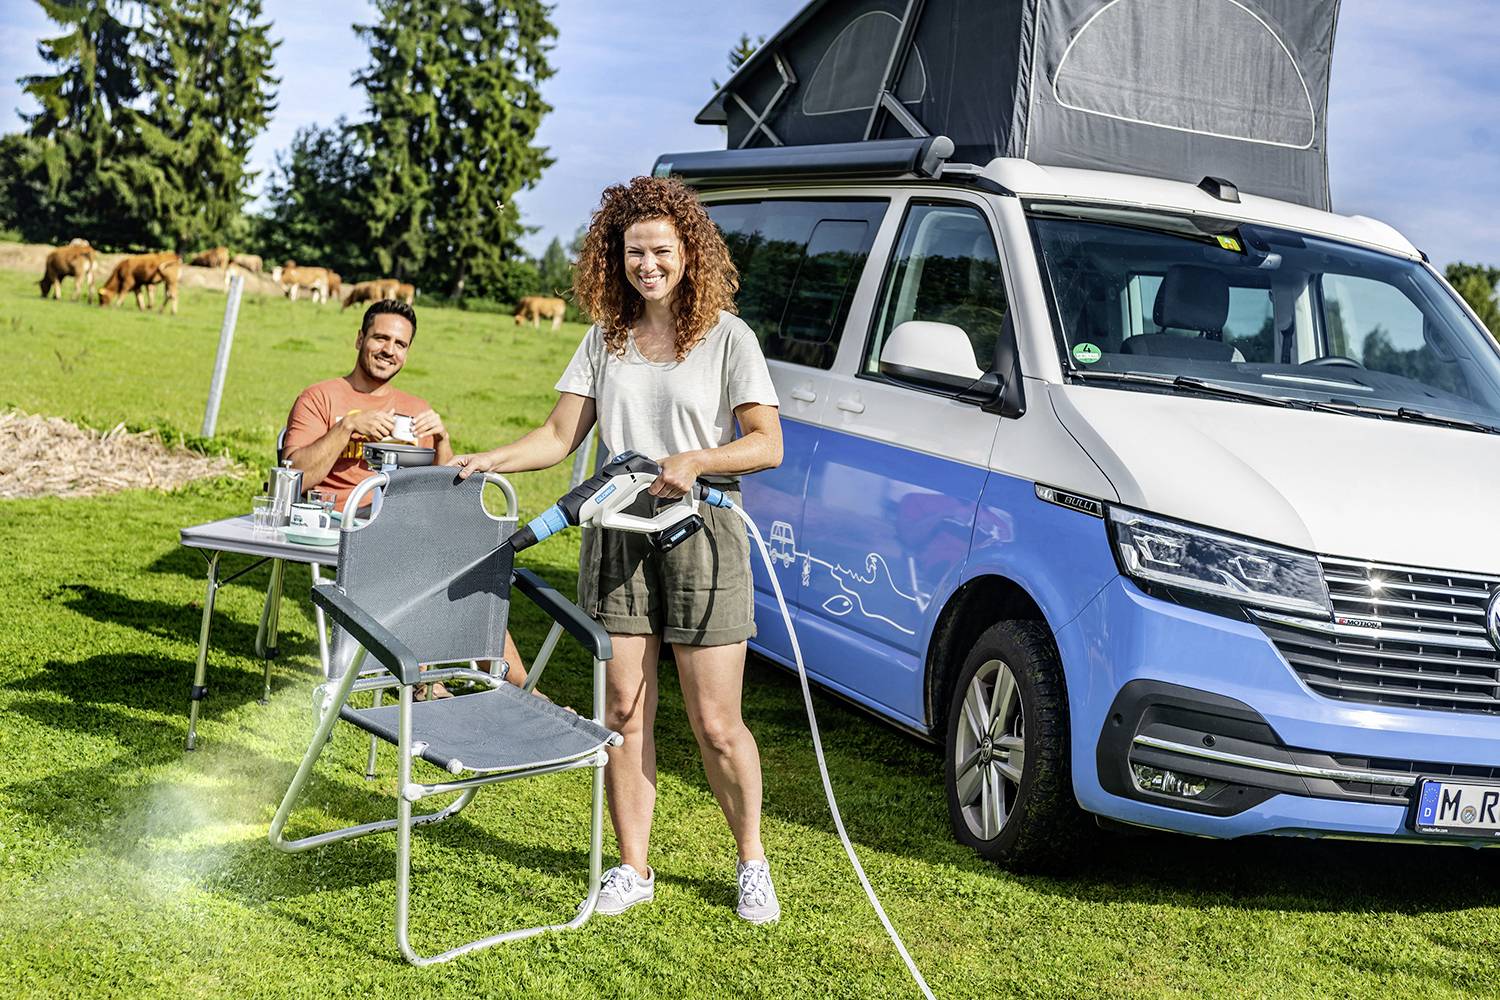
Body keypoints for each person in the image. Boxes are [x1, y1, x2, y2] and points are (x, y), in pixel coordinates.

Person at [452, 176, 784, 923]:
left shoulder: (730, 338)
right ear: (617, 255)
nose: (648, 265)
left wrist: (696, 461)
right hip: (616, 539)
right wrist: (486, 460)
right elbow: (556, 437)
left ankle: (751, 859)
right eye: (634, 251)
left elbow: (767, 444)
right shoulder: (604, 339)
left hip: (704, 537)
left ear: (688, 253)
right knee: (625, 711)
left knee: (717, 724)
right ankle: (634, 867)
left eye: (661, 250)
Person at [283, 298, 530, 694]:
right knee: (429, 558)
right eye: (380, 338)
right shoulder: (321, 398)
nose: (389, 350)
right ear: (360, 338)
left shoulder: (415, 410)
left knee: (474, 563)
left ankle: (520, 688)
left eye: (400, 344)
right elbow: (293, 476)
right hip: (343, 526)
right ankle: (429, 681)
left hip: (409, 528)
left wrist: (444, 440)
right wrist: (347, 428)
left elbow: (446, 495)